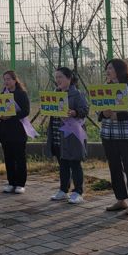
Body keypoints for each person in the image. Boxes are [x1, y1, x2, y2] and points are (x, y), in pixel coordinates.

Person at [100, 59, 128, 216]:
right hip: (108, 134)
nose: (107, 70)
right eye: (107, 68)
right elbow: (97, 108)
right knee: (114, 167)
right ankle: (121, 199)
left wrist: (118, 116)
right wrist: (102, 113)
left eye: (111, 68)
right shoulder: (104, 88)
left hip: (127, 135)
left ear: (120, 70)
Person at [47, 67, 89, 204]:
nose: (57, 80)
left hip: (72, 135)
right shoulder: (55, 94)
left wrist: (75, 112)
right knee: (63, 163)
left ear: (69, 79)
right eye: (56, 77)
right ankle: (63, 190)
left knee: (75, 163)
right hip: (58, 134)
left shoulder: (77, 95)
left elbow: (85, 110)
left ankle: (78, 192)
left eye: (60, 77)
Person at [0, 71, 31, 194]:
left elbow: (26, 111)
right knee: (8, 157)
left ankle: (20, 184)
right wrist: (0, 116)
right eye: (4, 79)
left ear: (15, 80)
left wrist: (12, 116)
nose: (6, 81)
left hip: (18, 130)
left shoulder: (21, 94)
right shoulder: (2, 94)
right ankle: (11, 182)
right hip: (5, 130)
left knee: (19, 157)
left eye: (9, 79)